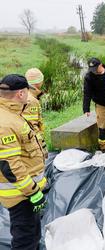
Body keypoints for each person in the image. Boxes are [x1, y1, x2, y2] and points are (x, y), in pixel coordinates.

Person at [0, 74, 47, 250]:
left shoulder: (13, 113)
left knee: (32, 233)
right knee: (24, 239)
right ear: (21, 93)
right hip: (20, 195)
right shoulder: (5, 123)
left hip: (24, 192)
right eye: (27, 92)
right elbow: (9, 165)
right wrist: (32, 191)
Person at [24, 68, 48, 159]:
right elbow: (32, 126)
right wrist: (42, 146)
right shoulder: (31, 100)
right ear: (39, 82)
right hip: (32, 146)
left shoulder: (29, 96)